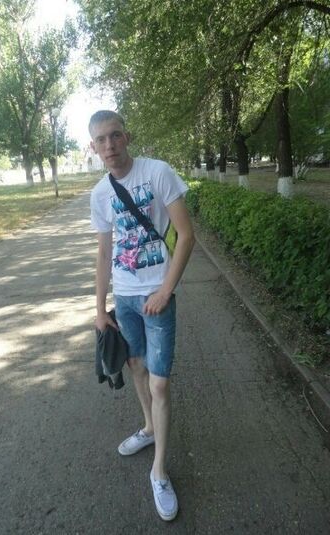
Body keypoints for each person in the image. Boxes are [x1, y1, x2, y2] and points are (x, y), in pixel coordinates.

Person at [89, 110, 195, 521]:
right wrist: (100, 309)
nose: (110, 145)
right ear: (94, 147)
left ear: (127, 137)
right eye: (101, 139)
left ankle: (159, 471)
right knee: (136, 367)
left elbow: (186, 235)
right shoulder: (100, 193)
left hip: (157, 298)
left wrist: (165, 290)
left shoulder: (157, 172)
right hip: (125, 297)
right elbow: (104, 253)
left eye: (115, 135)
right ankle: (149, 429)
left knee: (160, 383)